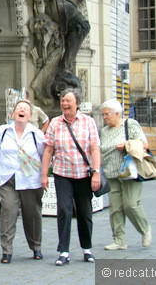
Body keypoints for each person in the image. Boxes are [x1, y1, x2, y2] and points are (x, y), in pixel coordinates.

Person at [40, 88, 101, 266]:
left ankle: (87, 248)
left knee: (84, 212)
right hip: (62, 174)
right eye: (62, 101)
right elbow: (48, 150)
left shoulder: (88, 122)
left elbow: (95, 149)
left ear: (77, 103)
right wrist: (44, 174)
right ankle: (64, 251)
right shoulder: (55, 123)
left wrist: (96, 172)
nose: (64, 104)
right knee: (64, 211)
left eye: (68, 101)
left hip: (83, 174)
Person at [0, 99, 45, 263]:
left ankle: (36, 247)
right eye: (18, 108)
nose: (22, 110)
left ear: (30, 115)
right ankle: (6, 250)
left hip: (30, 180)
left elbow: (43, 156)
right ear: (12, 114)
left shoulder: (36, 134)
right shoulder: (3, 131)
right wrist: (5, 167)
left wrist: (41, 175)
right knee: (8, 211)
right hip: (8, 178)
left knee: (32, 214)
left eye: (25, 109)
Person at [99, 99, 152, 250]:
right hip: (111, 173)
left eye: (107, 114)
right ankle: (119, 239)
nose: (105, 117)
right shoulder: (104, 131)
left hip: (129, 172)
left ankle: (145, 229)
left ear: (117, 113)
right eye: (103, 115)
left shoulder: (130, 125)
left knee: (130, 205)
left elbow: (144, 144)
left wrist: (126, 145)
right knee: (115, 207)